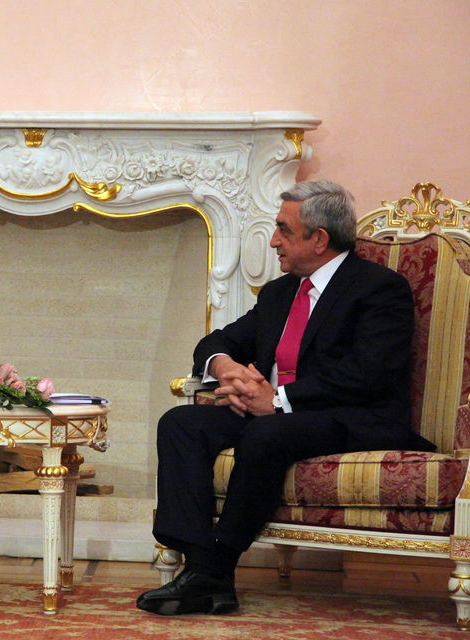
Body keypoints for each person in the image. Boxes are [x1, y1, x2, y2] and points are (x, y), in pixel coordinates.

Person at [137, 179, 429, 616]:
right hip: (276, 414)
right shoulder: (281, 292)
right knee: (181, 423)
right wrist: (227, 369)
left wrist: (276, 400)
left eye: (284, 230)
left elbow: (367, 373)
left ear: (319, 239)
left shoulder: (378, 288)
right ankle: (201, 570)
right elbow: (218, 341)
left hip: (349, 416)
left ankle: (218, 565)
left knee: (266, 435)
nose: (274, 240)